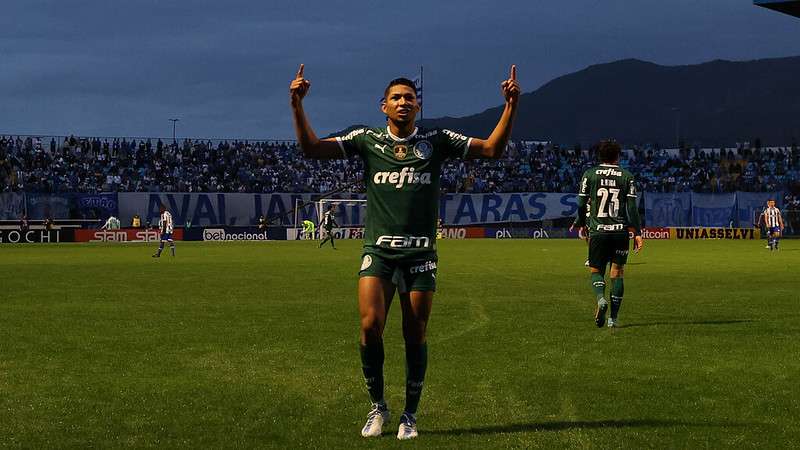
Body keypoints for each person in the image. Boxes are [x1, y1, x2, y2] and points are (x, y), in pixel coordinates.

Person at [290, 63, 519, 439]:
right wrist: (297, 104)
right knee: (369, 327)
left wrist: (510, 106)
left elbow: (492, 149)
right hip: (378, 252)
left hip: (420, 255)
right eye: (395, 98)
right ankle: (378, 406)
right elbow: (311, 149)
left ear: (417, 107)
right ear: (383, 106)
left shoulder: (438, 140)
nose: (402, 102)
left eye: (409, 98)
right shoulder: (366, 140)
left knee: (415, 334)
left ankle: (409, 415)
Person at [570, 140, 644, 328]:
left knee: (596, 271)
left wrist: (582, 222)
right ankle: (613, 319)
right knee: (617, 273)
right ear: (617, 156)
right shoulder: (627, 176)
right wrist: (636, 232)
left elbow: (580, 204)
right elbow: (632, 208)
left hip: (598, 231)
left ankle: (600, 299)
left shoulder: (590, 174)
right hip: (620, 233)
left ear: (599, 156)